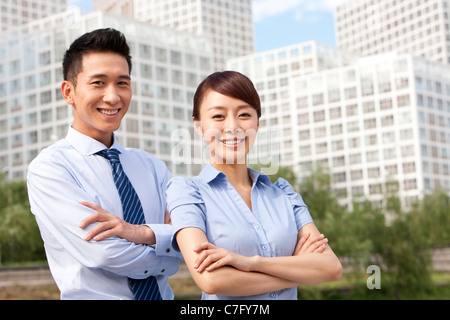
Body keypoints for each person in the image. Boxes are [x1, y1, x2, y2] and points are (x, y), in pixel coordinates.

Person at [27, 28, 180, 300]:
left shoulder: (152, 167)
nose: (113, 97)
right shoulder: (50, 169)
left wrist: (139, 233)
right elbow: (104, 254)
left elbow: (195, 232)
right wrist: (171, 256)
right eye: (98, 83)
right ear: (68, 92)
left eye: (122, 83)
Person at [166, 71, 342, 300]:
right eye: (218, 116)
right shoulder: (186, 192)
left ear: (257, 122)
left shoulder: (284, 194)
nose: (232, 126)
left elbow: (331, 268)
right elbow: (211, 280)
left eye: (244, 114)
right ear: (198, 125)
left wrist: (249, 263)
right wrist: (300, 270)